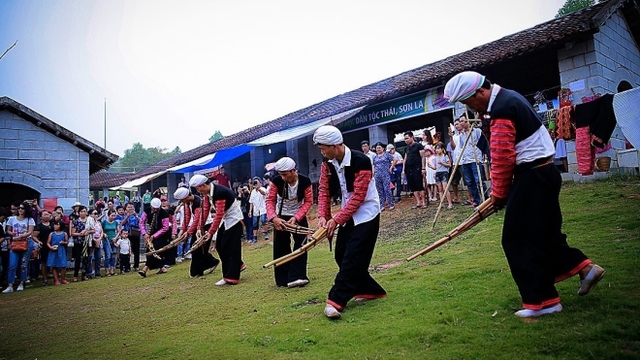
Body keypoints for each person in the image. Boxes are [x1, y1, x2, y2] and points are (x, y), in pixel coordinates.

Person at [444, 71, 605, 318]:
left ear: (480, 92)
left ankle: (543, 302)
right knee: (544, 235)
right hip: (545, 173)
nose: (470, 108)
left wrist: (498, 194)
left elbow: (502, 157)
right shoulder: (509, 98)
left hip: (532, 176)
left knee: (516, 240)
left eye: (468, 102)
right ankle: (585, 269)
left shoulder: (502, 109)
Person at [313, 125, 387, 319]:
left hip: (367, 213)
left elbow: (359, 197)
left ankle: (336, 300)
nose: (321, 152)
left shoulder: (361, 160)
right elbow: (324, 190)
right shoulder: (327, 163)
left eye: (323, 148)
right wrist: (323, 215)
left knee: (352, 257)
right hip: (348, 213)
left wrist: (336, 220)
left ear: (335, 145)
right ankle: (370, 290)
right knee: (341, 254)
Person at [266, 157, 314, 288]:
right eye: (280, 174)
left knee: (302, 245)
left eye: (285, 174)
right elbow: (270, 200)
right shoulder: (276, 181)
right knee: (281, 246)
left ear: (293, 171)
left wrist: (297, 217)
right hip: (280, 216)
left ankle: (298, 276)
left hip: (298, 216)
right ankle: (283, 279)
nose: (282, 178)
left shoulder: (305, 181)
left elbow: (309, 201)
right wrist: (273, 218)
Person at [189, 174, 245, 286]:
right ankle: (238, 265)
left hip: (234, 219)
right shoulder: (206, 194)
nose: (197, 191)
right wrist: (200, 228)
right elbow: (205, 211)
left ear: (204, 185)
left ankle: (231, 276)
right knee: (219, 246)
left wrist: (210, 232)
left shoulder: (219, 192)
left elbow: (218, 214)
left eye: (198, 188)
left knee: (229, 247)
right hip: (226, 219)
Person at [173, 186, 221, 278]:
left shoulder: (198, 202)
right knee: (196, 248)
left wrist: (189, 232)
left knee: (198, 249)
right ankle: (212, 262)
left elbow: (198, 219)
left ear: (186, 197)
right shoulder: (187, 203)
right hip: (197, 227)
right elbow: (187, 217)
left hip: (205, 225)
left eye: (182, 200)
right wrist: (183, 230)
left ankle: (197, 271)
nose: (181, 203)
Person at [2, 202, 36, 293]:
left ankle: (21, 283)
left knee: (23, 264)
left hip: (26, 242)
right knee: (12, 264)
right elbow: (8, 230)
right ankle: (10, 285)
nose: (20, 210)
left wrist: (24, 235)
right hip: (15, 242)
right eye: (19, 208)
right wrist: (12, 234)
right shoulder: (12, 219)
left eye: (22, 208)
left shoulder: (30, 219)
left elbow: (30, 232)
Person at [457, 114, 487, 207]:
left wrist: (481, 157)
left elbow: (483, 144)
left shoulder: (477, 131)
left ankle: (486, 200)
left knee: (479, 181)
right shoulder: (461, 136)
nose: (461, 123)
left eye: (463, 121)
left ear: (468, 121)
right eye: (460, 121)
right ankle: (476, 201)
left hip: (475, 160)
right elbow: (462, 147)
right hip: (466, 161)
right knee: (470, 182)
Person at [138, 198, 170, 277]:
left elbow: (165, 227)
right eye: (154, 208)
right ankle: (162, 267)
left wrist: (154, 236)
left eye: (157, 208)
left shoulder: (164, 213)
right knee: (150, 249)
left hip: (161, 233)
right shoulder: (147, 211)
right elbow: (141, 222)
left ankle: (145, 268)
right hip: (151, 231)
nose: (155, 210)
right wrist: (145, 233)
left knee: (154, 250)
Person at [69, 205, 96, 282]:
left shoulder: (89, 220)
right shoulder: (76, 221)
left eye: (84, 211)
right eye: (81, 211)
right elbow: (72, 233)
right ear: (79, 212)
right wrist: (80, 234)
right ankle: (75, 275)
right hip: (78, 242)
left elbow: (93, 230)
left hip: (87, 242)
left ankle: (84, 275)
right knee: (78, 259)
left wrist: (87, 232)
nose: (83, 213)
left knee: (86, 259)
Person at [402, 131, 426, 208]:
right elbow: (405, 159)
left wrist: (423, 168)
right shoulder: (406, 148)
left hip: (417, 167)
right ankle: (418, 202)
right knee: (412, 185)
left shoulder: (418, 145)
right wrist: (403, 169)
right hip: (409, 169)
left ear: (412, 137)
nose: (406, 140)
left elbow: (423, 157)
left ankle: (424, 202)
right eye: (405, 139)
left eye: (407, 138)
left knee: (419, 184)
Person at [372, 142, 396, 211]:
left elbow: (394, 160)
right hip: (377, 175)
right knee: (379, 190)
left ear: (383, 148)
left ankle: (391, 204)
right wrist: (373, 173)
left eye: (379, 148)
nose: (378, 149)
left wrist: (391, 167)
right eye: (377, 148)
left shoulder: (387, 155)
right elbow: (374, 165)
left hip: (385, 174)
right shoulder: (375, 157)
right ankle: (382, 205)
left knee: (387, 189)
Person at [33, 210, 54, 286]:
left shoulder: (53, 224)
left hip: (53, 245)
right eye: (45, 215)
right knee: (44, 263)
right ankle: (45, 279)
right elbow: (34, 236)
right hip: (44, 246)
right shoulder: (39, 226)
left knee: (54, 262)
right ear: (41, 217)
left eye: (48, 214)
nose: (47, 216)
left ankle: (56, 278)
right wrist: (39, 242)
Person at [119, 204, 141, 271]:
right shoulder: (124, 216)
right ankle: (127, 266)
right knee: (127, 249)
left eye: (132, 207)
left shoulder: (138, 215)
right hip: (127, 234)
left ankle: (136, 265)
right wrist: (127, 216)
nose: (130, 208)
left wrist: (136, 216)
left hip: (136, 233)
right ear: (126, 209)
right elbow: (122, 223)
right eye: (129, 207)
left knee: (136, 250)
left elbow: (141, 222)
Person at [46, 220, 68, 285]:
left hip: (61, 250)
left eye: (57, 224)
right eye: (55, 224)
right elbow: (48, 242)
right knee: (54, 265)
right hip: (53, 251)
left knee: (63, 265)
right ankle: (56, 280)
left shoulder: (64, 234)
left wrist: (63, 242)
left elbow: (67, 242)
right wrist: (51, 247)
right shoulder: (52, 234)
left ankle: (63, 279)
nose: (55, 226)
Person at [433, 142, 454, 209]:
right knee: (440, 189)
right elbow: (436, 167)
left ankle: (450, 203)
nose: (437, 150)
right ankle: (441, 203)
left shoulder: (445, 156)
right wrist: (433, 169)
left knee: (445, 189)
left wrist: (442, 163)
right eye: (436, 149)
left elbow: (449, 165)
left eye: (438, 148)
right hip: (438, 173)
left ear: (442, 149)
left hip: (444, 173)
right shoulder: (435, 158)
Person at [101, 209, 118, 276]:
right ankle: (107, 270)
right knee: (108, 255)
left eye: (114, 216)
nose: (113, 217)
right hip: (106, 241)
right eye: (112, 216)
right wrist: (103, 234)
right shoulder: (104, 222)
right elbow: (101, 230)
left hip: (113, 241)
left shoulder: (115, 222)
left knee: (113, 255)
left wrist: (115, 238)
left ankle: (112, 270)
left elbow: (119, 231)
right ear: (108, 215)